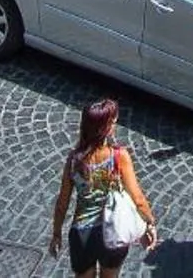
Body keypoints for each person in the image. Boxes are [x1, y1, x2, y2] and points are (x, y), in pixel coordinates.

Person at [50, 98, 158, 277]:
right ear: (106, 128)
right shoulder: (119, 156)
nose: (115, 124)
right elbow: (138, 199)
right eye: (114, 122)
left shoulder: (74, 161)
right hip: (113, 233)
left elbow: (62, 203)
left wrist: (56, 234)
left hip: (82, 235)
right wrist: (150, 224)